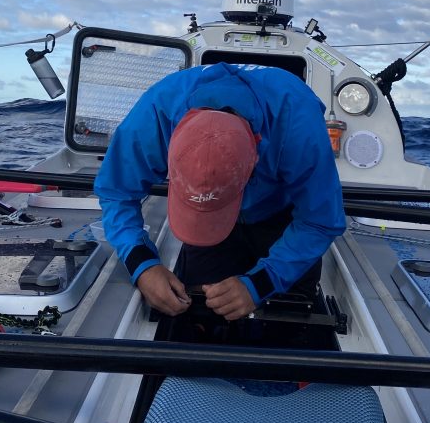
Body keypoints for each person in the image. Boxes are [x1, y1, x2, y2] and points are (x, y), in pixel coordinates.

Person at [95, 62, 346, 320]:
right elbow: (117, 192)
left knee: (292, 310)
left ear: (256, 157)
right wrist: (142, 264)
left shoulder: (298, 119)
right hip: (205, 226)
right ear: (168, 146)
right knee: (197, 308)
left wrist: (260, 283)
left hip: (281, 216)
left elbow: (319, 220)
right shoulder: (155, 113)